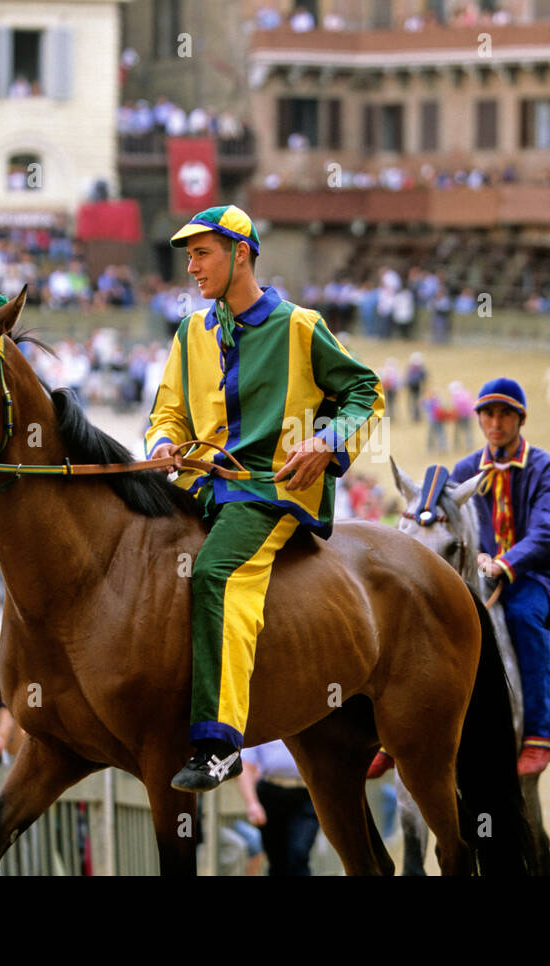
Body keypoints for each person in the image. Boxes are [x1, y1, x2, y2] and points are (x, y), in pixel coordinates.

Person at [147, 204, 384, 791]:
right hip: (196, 485)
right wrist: (160, 443)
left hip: (269, 492)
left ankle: (218, 742)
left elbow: (365, 391)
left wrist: (328, 442)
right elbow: (168, 412)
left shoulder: (301, 325)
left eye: (202, 253)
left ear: (241, 253)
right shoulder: (189, 330)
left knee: (216, 573)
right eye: (189, 257)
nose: (192, 268)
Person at [378, 378, 550, 777]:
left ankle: (539, 733)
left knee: (522, 619)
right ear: (479, 418)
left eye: (505, 414)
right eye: (487, 414)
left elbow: (547, 530)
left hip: (534, 577)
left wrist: (505, 562)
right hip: (474, 576)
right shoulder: (465, 469)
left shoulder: (544, 467)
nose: (495, 422)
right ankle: (391, 735)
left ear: (521, 419)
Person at [239, 740, 321, 875]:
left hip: (307, 795)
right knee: (277, 859)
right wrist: (252, 804)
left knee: (298, 853)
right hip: (270, 794)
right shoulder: (263, 724)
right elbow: (246, 765)